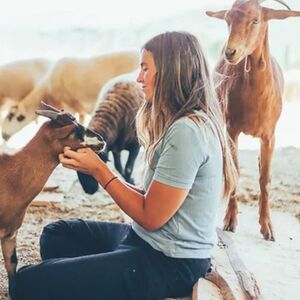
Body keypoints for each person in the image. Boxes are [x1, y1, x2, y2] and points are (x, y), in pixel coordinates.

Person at [15, 31, 237, 300]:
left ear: (170, 72)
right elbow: (153, 200)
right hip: (144, 240)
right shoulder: (181, 122)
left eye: (145, 69)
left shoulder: (187, 131)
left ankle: (103, 277)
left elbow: (151, 216)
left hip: (169, 262)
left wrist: (98, 169)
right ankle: (101, 276)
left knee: (26, 283)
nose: (138, 78)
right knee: (55, 235)